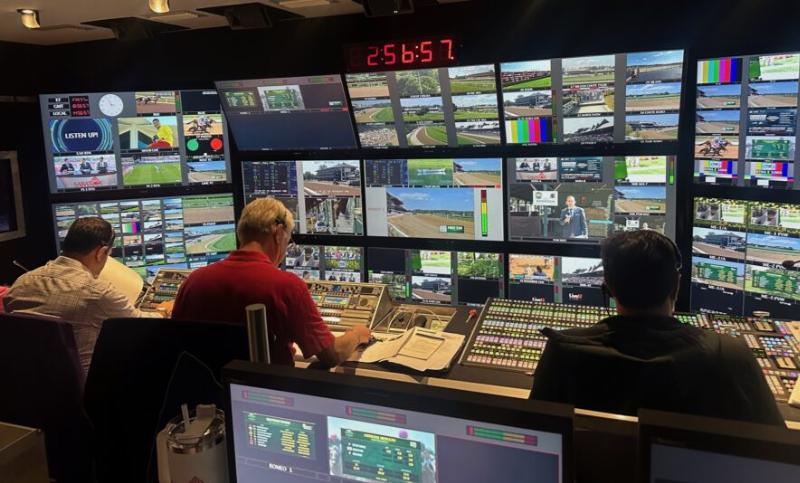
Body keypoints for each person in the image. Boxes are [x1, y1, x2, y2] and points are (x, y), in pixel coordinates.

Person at [531, 230, 784, 426]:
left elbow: (537, 434)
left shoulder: (563, 352)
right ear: (676, 286)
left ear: (607, 287)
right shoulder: (729, 356)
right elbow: (776, 453)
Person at [171, 198, 370, 368]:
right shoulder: (285, 286)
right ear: (279, 233)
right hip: (267, 401)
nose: (285, 250)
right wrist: (357, 334)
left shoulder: (193, 282)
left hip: (205, 405)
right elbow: (331, 356)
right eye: (288, 241)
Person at [4, 217, 171, 374]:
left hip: (27, 386)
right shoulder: (98, 292)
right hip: (85, 391)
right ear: (101, 252)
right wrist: (164, 310)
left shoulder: (21, 282)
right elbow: (142, 325)